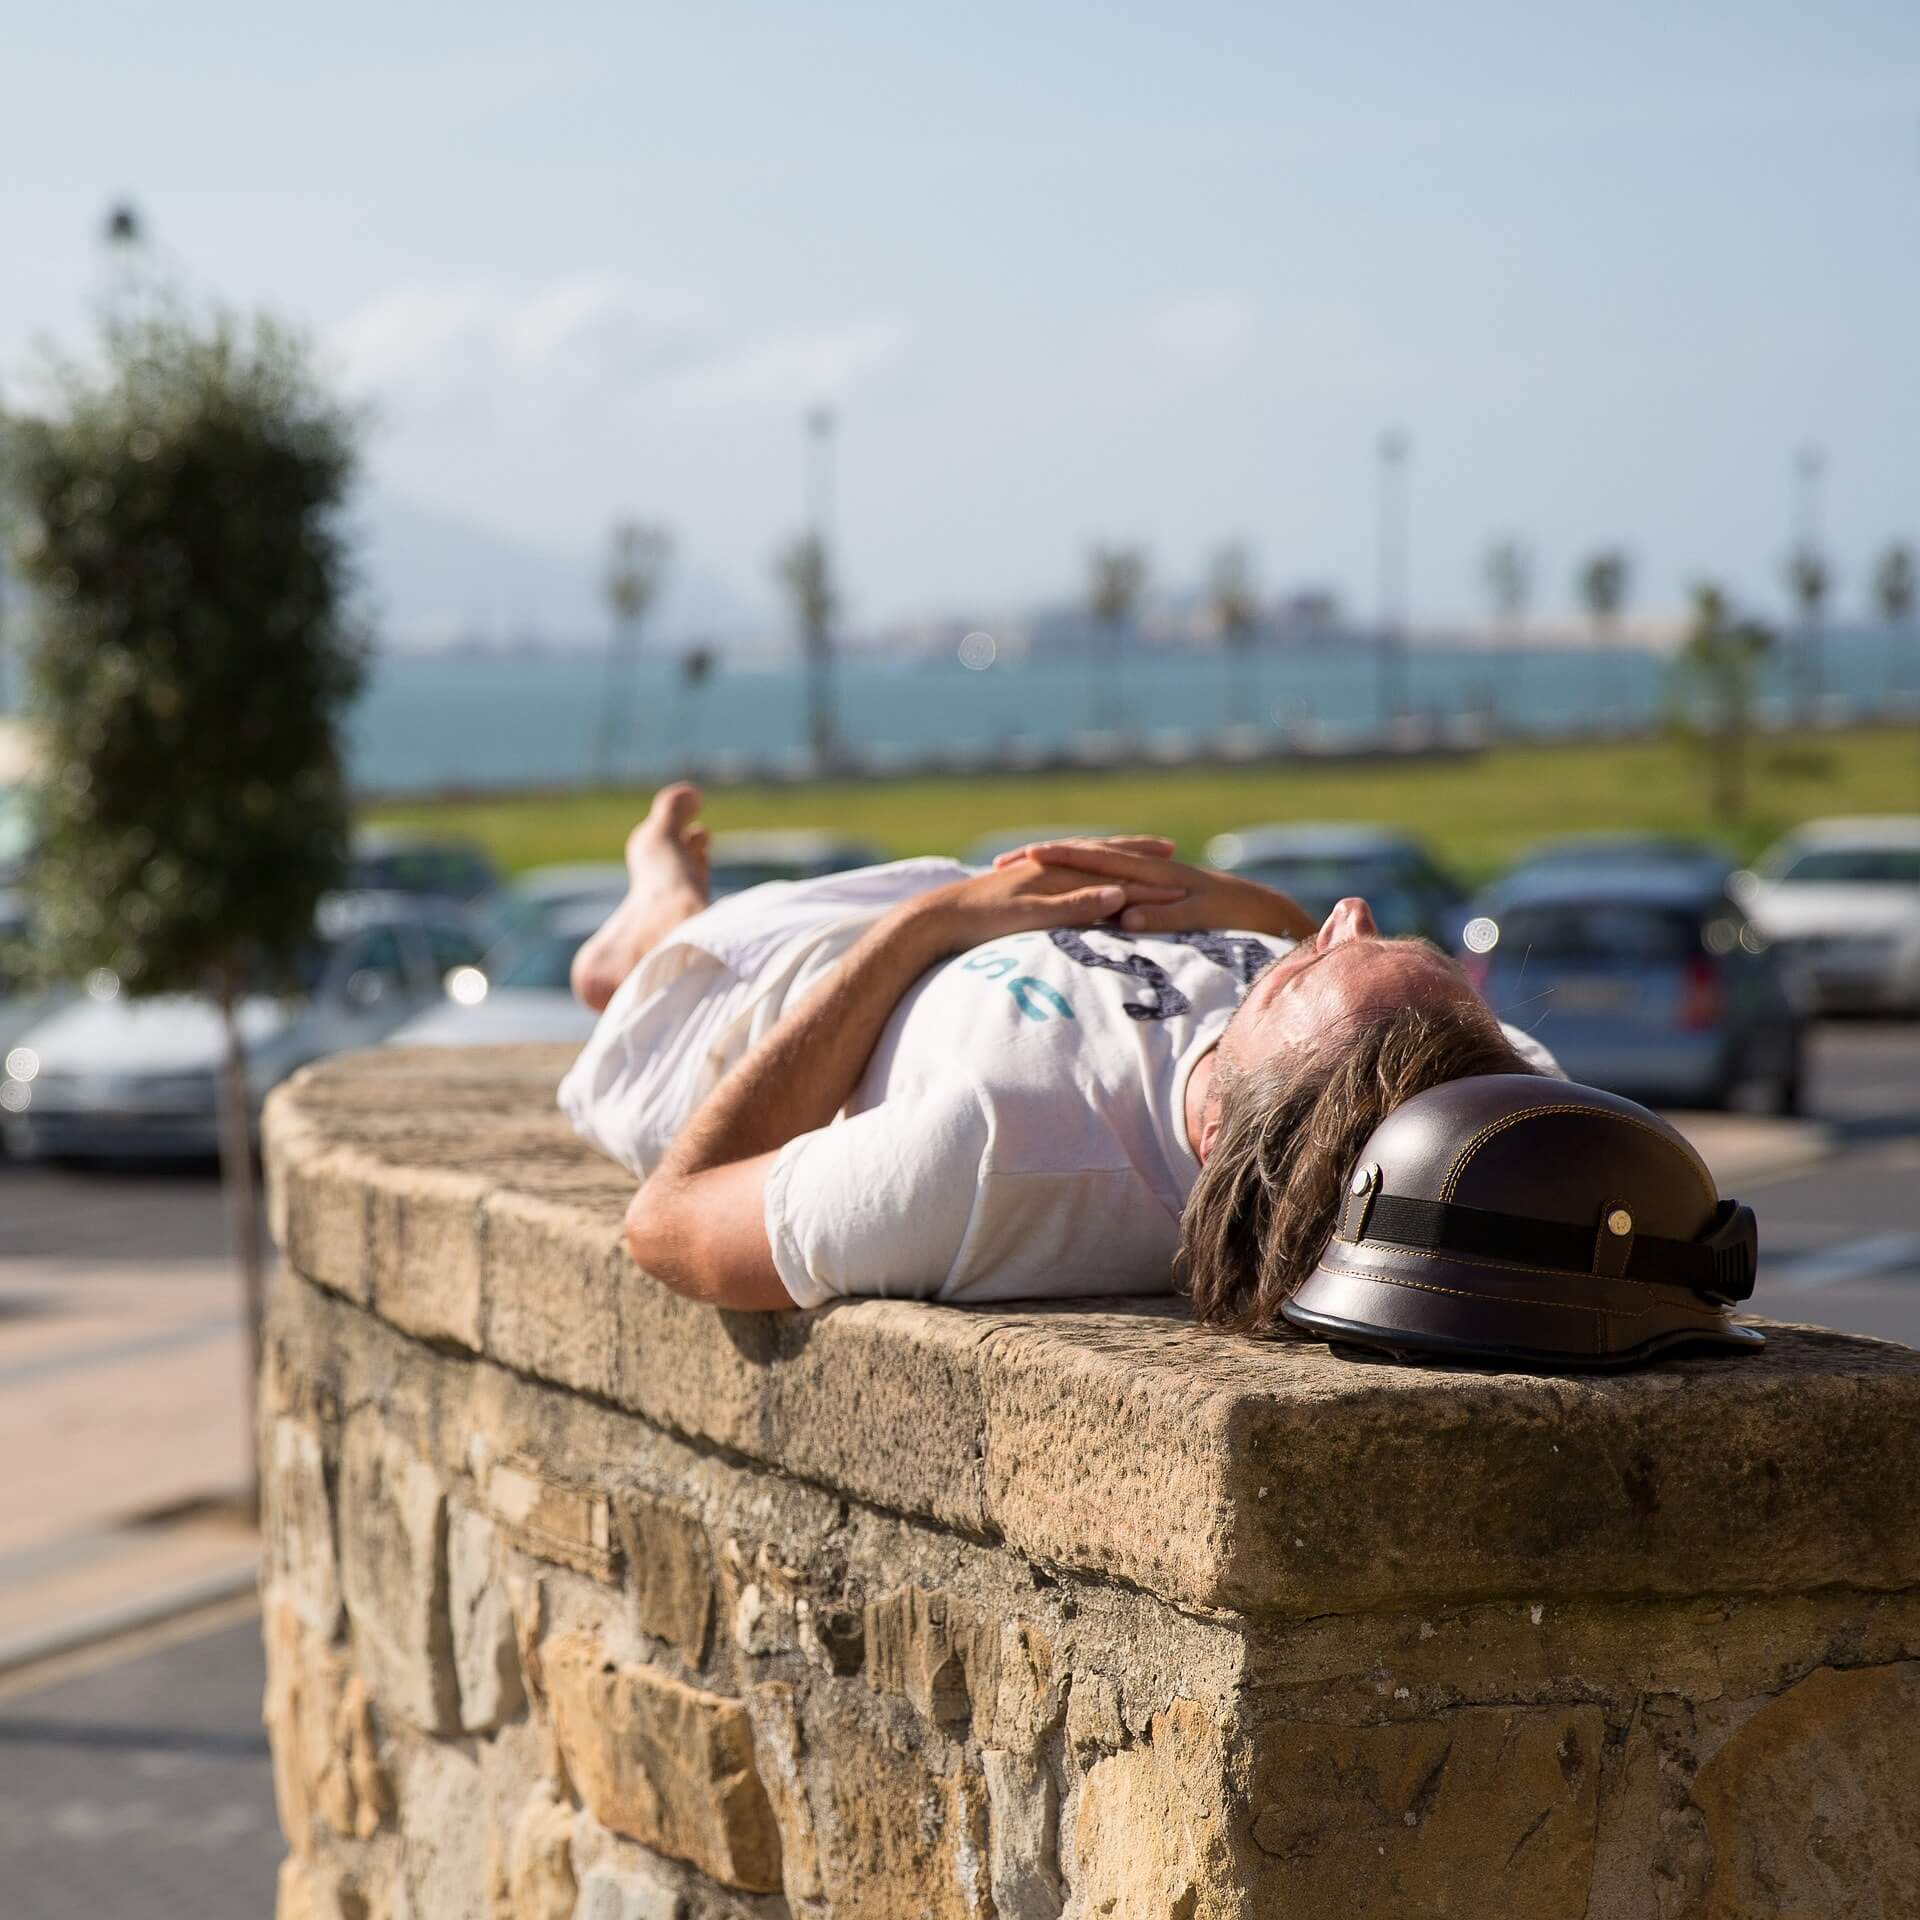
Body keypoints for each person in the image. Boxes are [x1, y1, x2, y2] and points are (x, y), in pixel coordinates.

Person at [558, 784, 1556, 1333]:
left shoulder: (993, 1157)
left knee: (675, 949)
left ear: (1220, 1130)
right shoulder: (1469, 1097)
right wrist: (1264, 917)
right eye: (1365, 937)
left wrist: (924, 928)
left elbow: (666, 1225)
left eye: (1304, 970)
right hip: (977, 912)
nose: (1343, 914)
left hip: (760, 991)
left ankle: (649, 924)